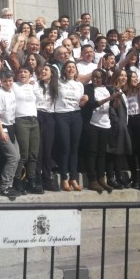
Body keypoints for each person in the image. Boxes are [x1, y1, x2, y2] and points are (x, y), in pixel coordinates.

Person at [81, 69, 122, 194]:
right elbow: (91, 104)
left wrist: (117, 98)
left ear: (103, 78)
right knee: (92, 152)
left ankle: (101, 178)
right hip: (93, 123)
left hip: (105, 124)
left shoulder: (108, 89)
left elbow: (114, 106)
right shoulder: (88, 88)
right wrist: (110, 98)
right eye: (93, 76)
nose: (94, 79)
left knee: (101, 153)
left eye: (98, 77)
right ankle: (92, 180)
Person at [53, 61, 88, 191]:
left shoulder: (79, 85)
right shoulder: (58, 82)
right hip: (62, 115)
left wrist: (84, 101)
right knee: (65, 147)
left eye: (73, 67)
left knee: (74, 147)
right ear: (64, 70)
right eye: (68, 67)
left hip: (76, 115)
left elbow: (80, 103)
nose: (71, 69)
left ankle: (73, 178)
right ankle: (64, 178)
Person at [12, 65, 43, 194]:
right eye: (21, 72)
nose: (23, 74)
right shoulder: (14, 85)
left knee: (33, 154)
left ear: (31, 74)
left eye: (26, 72)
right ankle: (18, 180)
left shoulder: (33, 86)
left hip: (34, 120)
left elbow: (40, 100)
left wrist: (35, 86)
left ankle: (32, 180)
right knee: (23, 154)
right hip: (21, 120)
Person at [0, 69, 21, 199]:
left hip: (12, 126)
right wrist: (0, 131)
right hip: (3, 128)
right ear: (1, 81)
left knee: (18, 156)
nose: (8, 83)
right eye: (5, 81)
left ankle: (10, 185)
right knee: (13, 157)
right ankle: (4, 186)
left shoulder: (12, 92)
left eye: (10, 81)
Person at [35, 64, 59, 191]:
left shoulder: (56, 87)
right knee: (38, 150)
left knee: (47, 150)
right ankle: (37, 179)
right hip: (37, 115)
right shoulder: (35, 84)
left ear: (52, 73)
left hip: (50, 116)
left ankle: (47, 179)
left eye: (46, 70)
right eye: (42, 69)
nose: (43, 71)